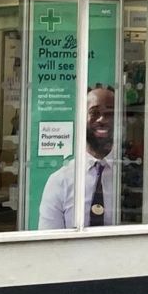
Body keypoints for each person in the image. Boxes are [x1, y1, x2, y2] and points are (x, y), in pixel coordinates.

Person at [37, 84, 120, 229]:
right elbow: (49, 245)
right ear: (82, 118)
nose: (102, 119)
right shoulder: (60, 181)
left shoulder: (128, 178)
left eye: (109, 113)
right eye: (94, 112)